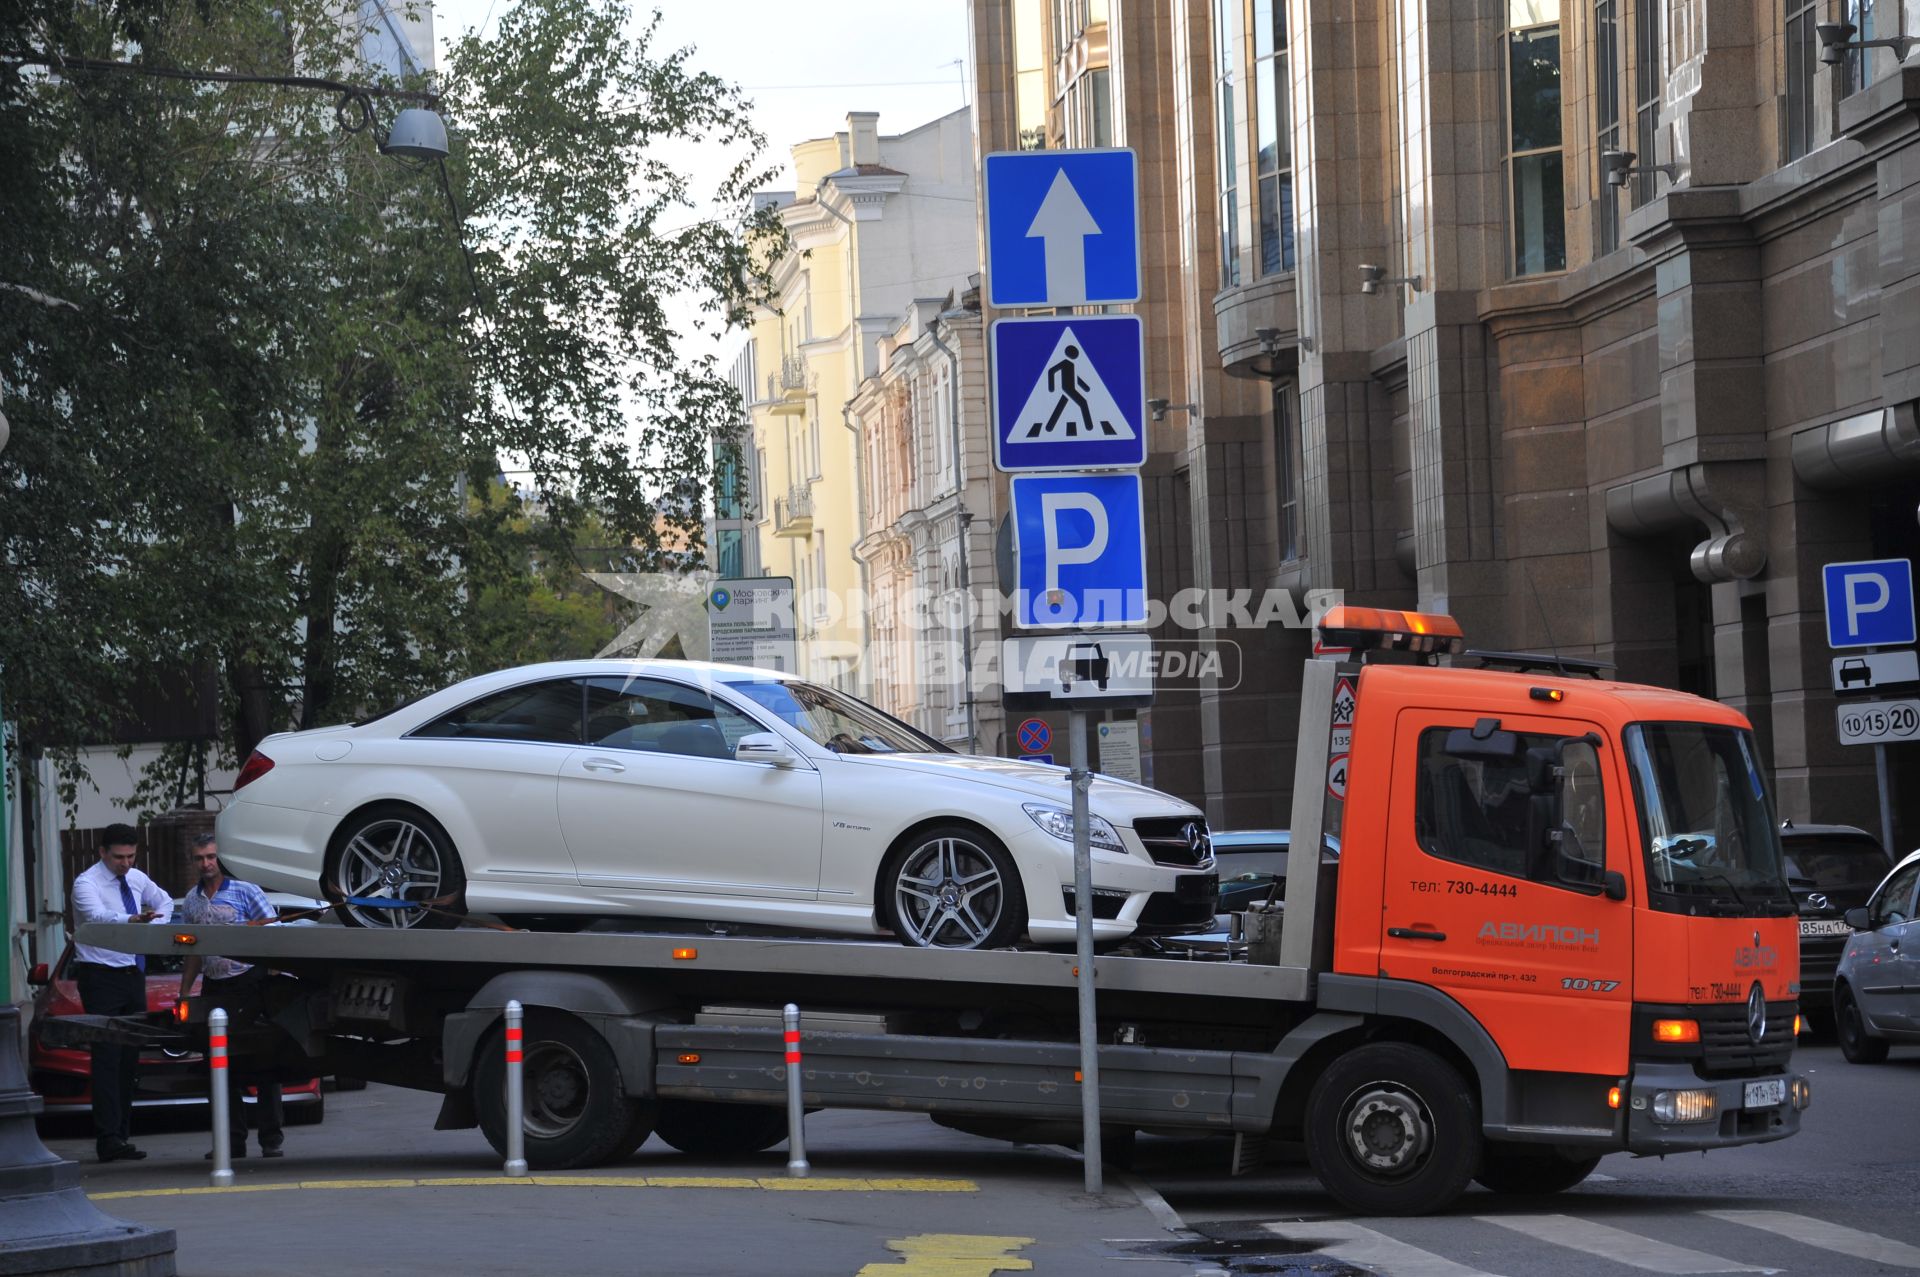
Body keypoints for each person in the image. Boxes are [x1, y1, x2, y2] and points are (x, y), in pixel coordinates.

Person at [177, 833, 285, 1160]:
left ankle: (271, 1140)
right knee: (220, 1067)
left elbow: (274, 934)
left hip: (249, 983)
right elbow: (192, 951)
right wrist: (184, 992)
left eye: (210, 857)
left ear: (219, 858)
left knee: (263, 1061)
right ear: (192, 861)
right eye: (199, 858)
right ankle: (231, 1142)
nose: (206, 864)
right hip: (215, 986)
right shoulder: (192, 902)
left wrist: (272, 975)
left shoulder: (246, 890)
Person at [69, 822, 172, 1162]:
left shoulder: (137, 878)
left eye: (130, 856)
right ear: (102, 853)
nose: (125, 863)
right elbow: (97, 917)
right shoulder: (87, 883)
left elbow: (165, 901)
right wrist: (133, 922)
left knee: (129, 1058)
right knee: (107, 1058)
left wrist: (152, 928)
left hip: (132, 973)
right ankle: (107, 1138)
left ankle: (122, 1135)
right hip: (100, 975)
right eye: (118, 857)